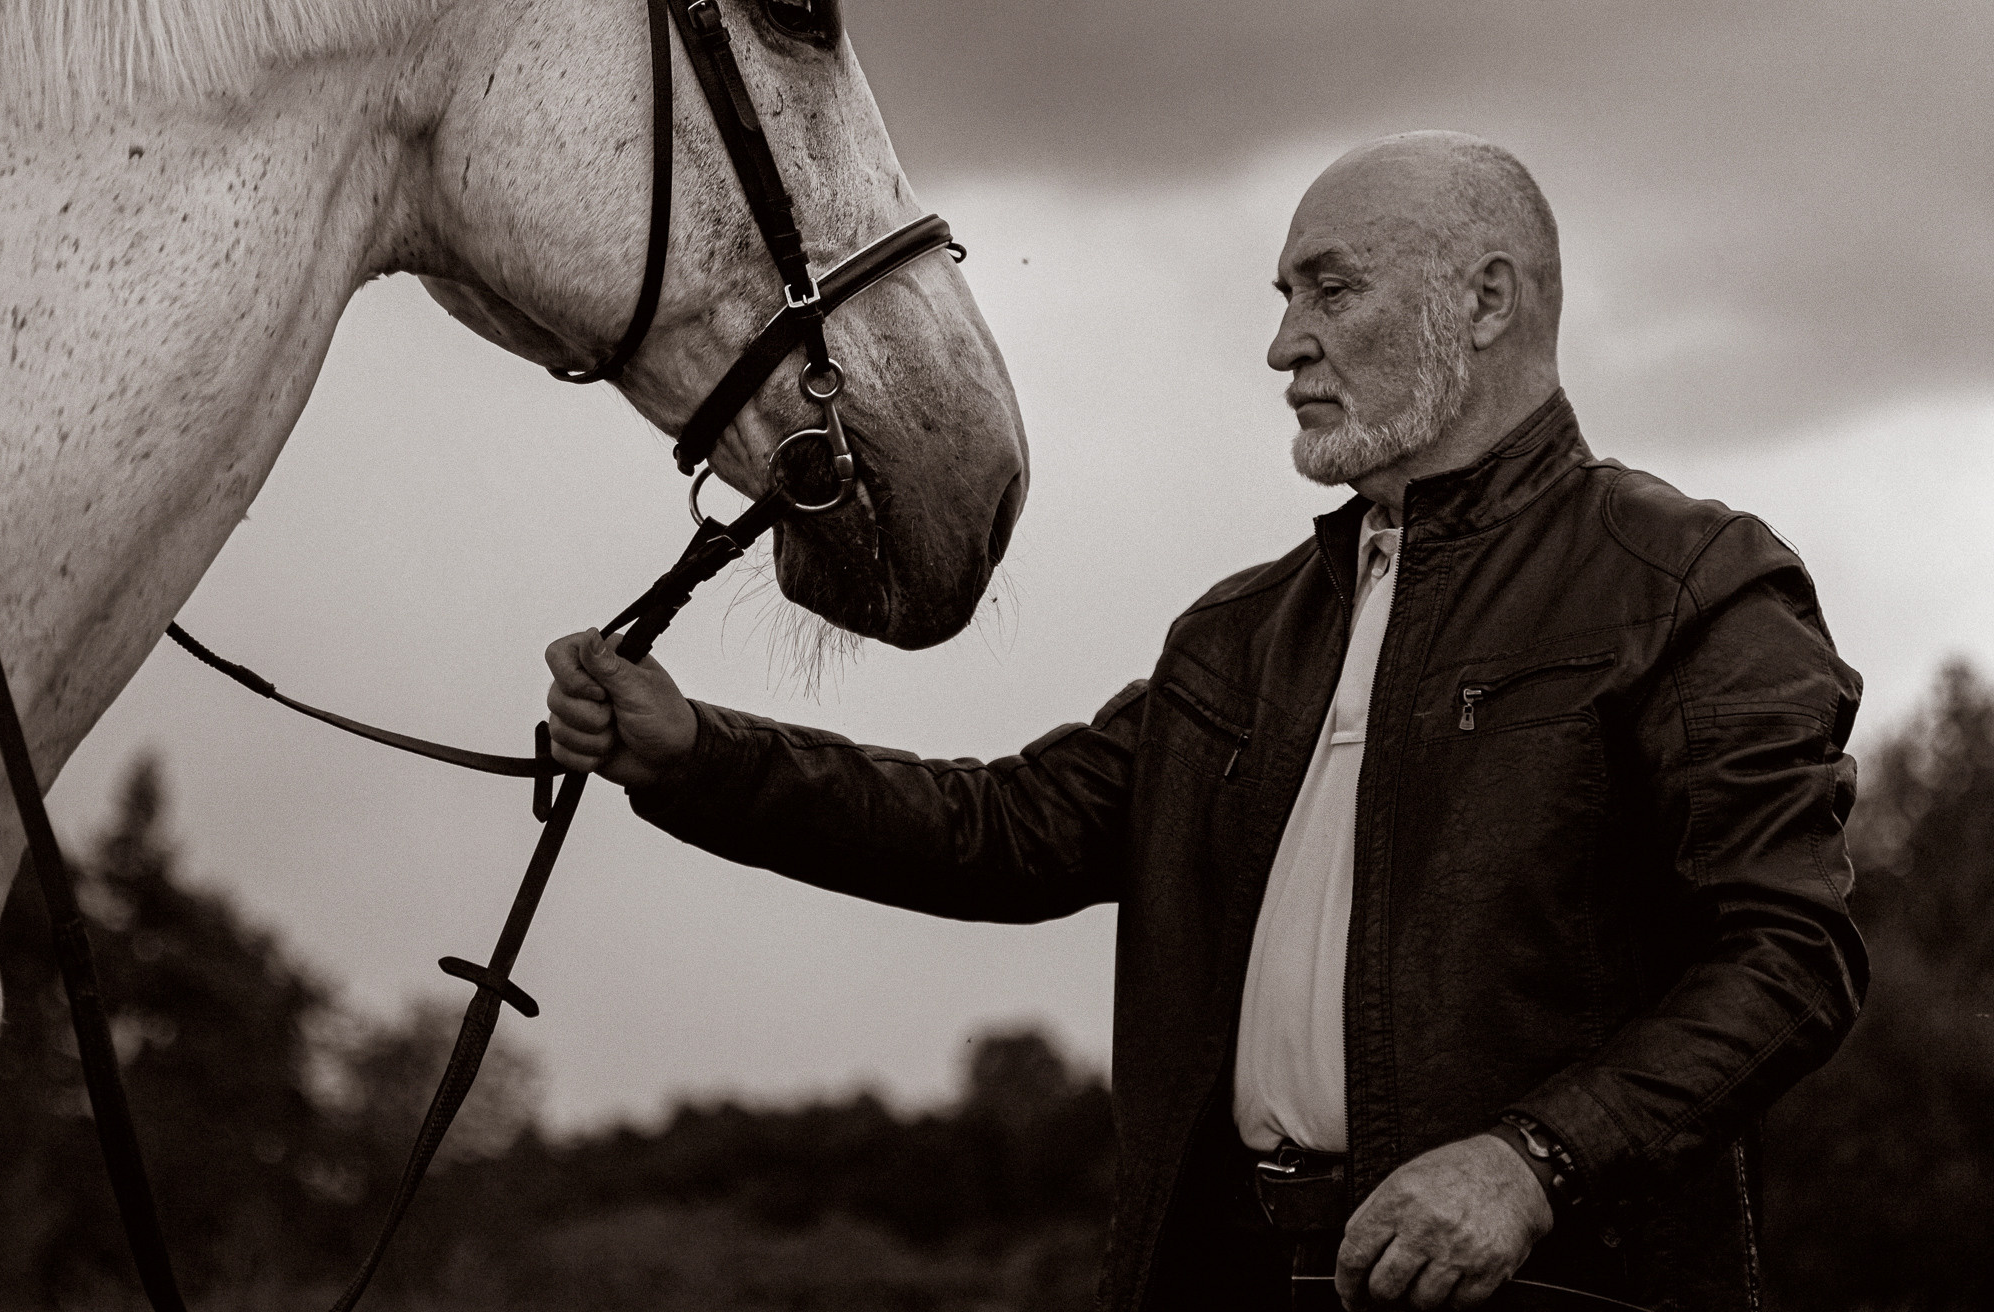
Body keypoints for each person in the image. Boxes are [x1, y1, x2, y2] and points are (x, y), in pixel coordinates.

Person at [544, 131, 1865, 1310]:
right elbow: (1006, 830)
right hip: (1238, 1276)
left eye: (1331, 288)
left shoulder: (1688, 583)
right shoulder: (1244, 636)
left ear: (1487, 300)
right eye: (1284, 298)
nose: (1284, 344)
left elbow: (1790, 956)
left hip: (1549, 1283)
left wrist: (1537, 1162)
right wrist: (695, 756)